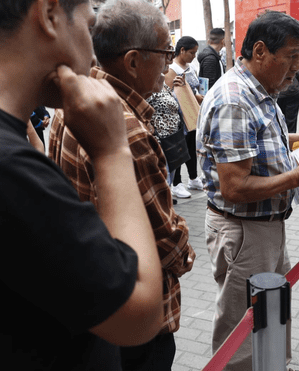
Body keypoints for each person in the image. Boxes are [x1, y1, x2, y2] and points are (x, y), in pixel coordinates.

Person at [0, 0, 164, 369]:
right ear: (49, 14)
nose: (93, 55)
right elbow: (139, 313)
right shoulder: (12, 169)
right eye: (89, 29)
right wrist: (112, 152)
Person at [48, 1, 195, 370]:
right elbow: (166, 243)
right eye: (164, 52)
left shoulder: (79, 100)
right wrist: (186, 253)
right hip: (137, 317)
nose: (168, 63)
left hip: (93, 298)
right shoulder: (126, 129)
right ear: (132, 61)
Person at [196, 11, 299, 371]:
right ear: (260, 51)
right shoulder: (235, 100)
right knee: (241, 331)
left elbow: (255, 142)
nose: (297, 68)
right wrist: (296, 178)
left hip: (266, 225)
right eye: (291, 57)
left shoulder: (259, 89)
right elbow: (234, 186)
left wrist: (297, 138)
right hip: (244, 232)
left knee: (273, 311)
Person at [166, 36, 204, 198]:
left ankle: (194, 177)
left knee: (191, 147)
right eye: (191, 52)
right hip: (177, 116)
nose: (194, 56)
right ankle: (177, 183)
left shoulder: (190, 67)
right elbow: (168, 92)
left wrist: (199, 98)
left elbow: (193, 90)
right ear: (182, 51)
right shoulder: (171, 68)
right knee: (179, 148)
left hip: (191, 113)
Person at [277, 59, 299, 133]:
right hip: (278, 95)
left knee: (291, 121)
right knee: (277, 120)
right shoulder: (277, 59)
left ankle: (290, 141)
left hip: (293, 94)